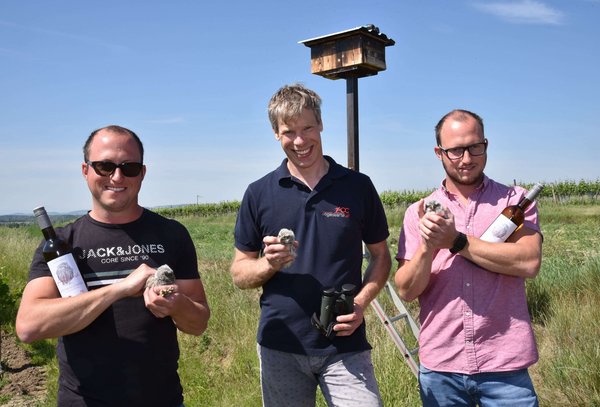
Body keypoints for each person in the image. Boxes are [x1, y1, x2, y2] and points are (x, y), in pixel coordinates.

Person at [16, 125, 210, 407]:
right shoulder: (63, 244)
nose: (117, 177)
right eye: (105, 166)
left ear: (142, 173)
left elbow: (199, 323)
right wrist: (118, 289)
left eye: (129, 167)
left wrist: (177, 305)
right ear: (86, 171)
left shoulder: (172, 235)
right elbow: (28, 326)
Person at [230, 84, 391, 407]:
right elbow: (239, 272)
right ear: (276, 134)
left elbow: (381, 257)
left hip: (345, 345)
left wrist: (360, 304)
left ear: (320, 124)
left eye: (307, 128)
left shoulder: (357, 187)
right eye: (289, 132)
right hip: (281, 345)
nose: (300, 141)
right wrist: (268, 264)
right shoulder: (259, 193)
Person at [394, 109, 543, 406]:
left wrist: (457, 241)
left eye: (475, 147)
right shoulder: (418, 212)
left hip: (505, 365)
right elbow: (407, 290)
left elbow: (528, 262)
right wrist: (428, 245)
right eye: (455, 150)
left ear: (486, 144)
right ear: (439, 152)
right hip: (441, 368)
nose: (467, 158)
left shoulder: (514, 200)